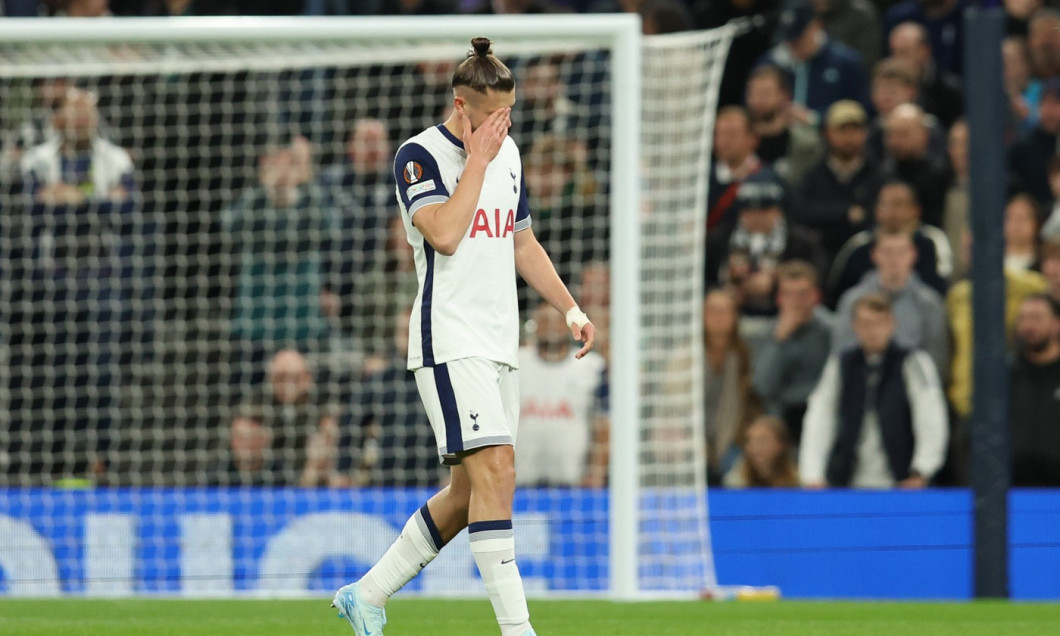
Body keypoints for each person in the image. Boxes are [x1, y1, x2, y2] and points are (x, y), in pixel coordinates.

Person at [331, 38, 595, 636]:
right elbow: (445, 235)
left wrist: (571, 307)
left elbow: (521, 240)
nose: (504, 124)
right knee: (497, 472)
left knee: (465, 493)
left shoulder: (510, 153)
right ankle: (519, 630)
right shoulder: (417, 156)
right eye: (493, 114)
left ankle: (367, 595)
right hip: (449, 340)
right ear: (461, 104)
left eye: (510, 113)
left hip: (500, 343)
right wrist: (476, 160)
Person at [800, 293, 949, 488]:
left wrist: (922, 469)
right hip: (849, 482)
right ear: (855, 326)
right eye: (865, 324)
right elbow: (820, 416)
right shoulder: (840, 365)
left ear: (892, 324)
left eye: (879, 323)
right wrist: (812, 473)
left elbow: (930, 416)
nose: (873, 331)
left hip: (901, 481)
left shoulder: (913, 362)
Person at [706, 169, 826, 317]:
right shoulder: (720, 238)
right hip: (730, 319)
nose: (756, 217)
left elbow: (818, 283)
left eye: (764, 211)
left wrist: (776, 285)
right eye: (749, 211)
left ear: (778, 211)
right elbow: (703, 280)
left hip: (782, 319)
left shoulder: (801, 242)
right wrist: (724, 292)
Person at [515, 303, 608, 487]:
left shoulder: (591, 366)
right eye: (544, 320)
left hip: (573, 484)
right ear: (534, 326)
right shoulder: (516, 362)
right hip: (519, 483)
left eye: (557, 320)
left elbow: (603, 423)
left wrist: (596, 472)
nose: (550, 326)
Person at [832, 230, 949, 377]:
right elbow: (841, 353)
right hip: (859, 387)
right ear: (874, 254)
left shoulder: (930, 303)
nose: (894, 259)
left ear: (913, 254)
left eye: (901, 252)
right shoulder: (851, 300)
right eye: (887, 252)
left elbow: (937, 360)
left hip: (913, 388)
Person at [828, 180, 952, 303]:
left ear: (916, 210)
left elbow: (943, 292)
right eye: (885, 204)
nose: (892, 212)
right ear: (876, 210)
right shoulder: (858, 246)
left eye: (899, 204)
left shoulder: (932, 243)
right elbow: (839, 296)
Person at [751, 261, 832, 445]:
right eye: (789, 295)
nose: (796, 303)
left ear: (816, 296)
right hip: (781, 420)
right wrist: (778, 341)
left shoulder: (831, 331)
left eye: (802, 294)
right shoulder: (768, 334)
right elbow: (762, 388)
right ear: (779, 298)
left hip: (822, 413)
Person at [792, 99, 882, 263]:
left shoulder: (877, 174)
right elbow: (801, 212)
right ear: (827, 133)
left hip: (868, 257)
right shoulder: (814, 175)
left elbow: (876, 216)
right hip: (821, 255)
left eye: (855, 129)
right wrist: (844, 213)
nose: (849, 137)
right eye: (842, 130)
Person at [756, 0, 871, 122]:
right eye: (789, 38)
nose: (793, 44)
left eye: (799, 37)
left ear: (816, 25)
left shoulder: (846, 62)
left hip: (829, 136)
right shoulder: (771, 62)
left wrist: (816, 118)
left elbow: (862, 108)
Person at [1009, 294, 1060, 486]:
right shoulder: (1005, 375)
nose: (1028, 326)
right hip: (1012, 490)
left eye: (1037, 318)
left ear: (1056, 324)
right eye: (1023, 318)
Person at [744, 64, 824, 186]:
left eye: (765, 93)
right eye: (753, 94)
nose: (758, 100)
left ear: (784, 96)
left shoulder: (807, 143)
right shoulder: (739, 142)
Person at [887, 21, 963, 128]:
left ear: (925, 51)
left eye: (905, 52)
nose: (898, 60)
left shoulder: (950, 91)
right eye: (894, 52)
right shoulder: (885, 90)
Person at [707, 106, 762, 232]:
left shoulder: (768, 179)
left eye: (732, 134)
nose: (724, 141)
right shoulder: (701, 179)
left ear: (753, 138)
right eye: (719, 134)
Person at [722, 415, 801, 488]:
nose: (755, 448)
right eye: (749, 441)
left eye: (762, 440)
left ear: (780, 444)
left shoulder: (799, 482)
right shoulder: (735, 482)